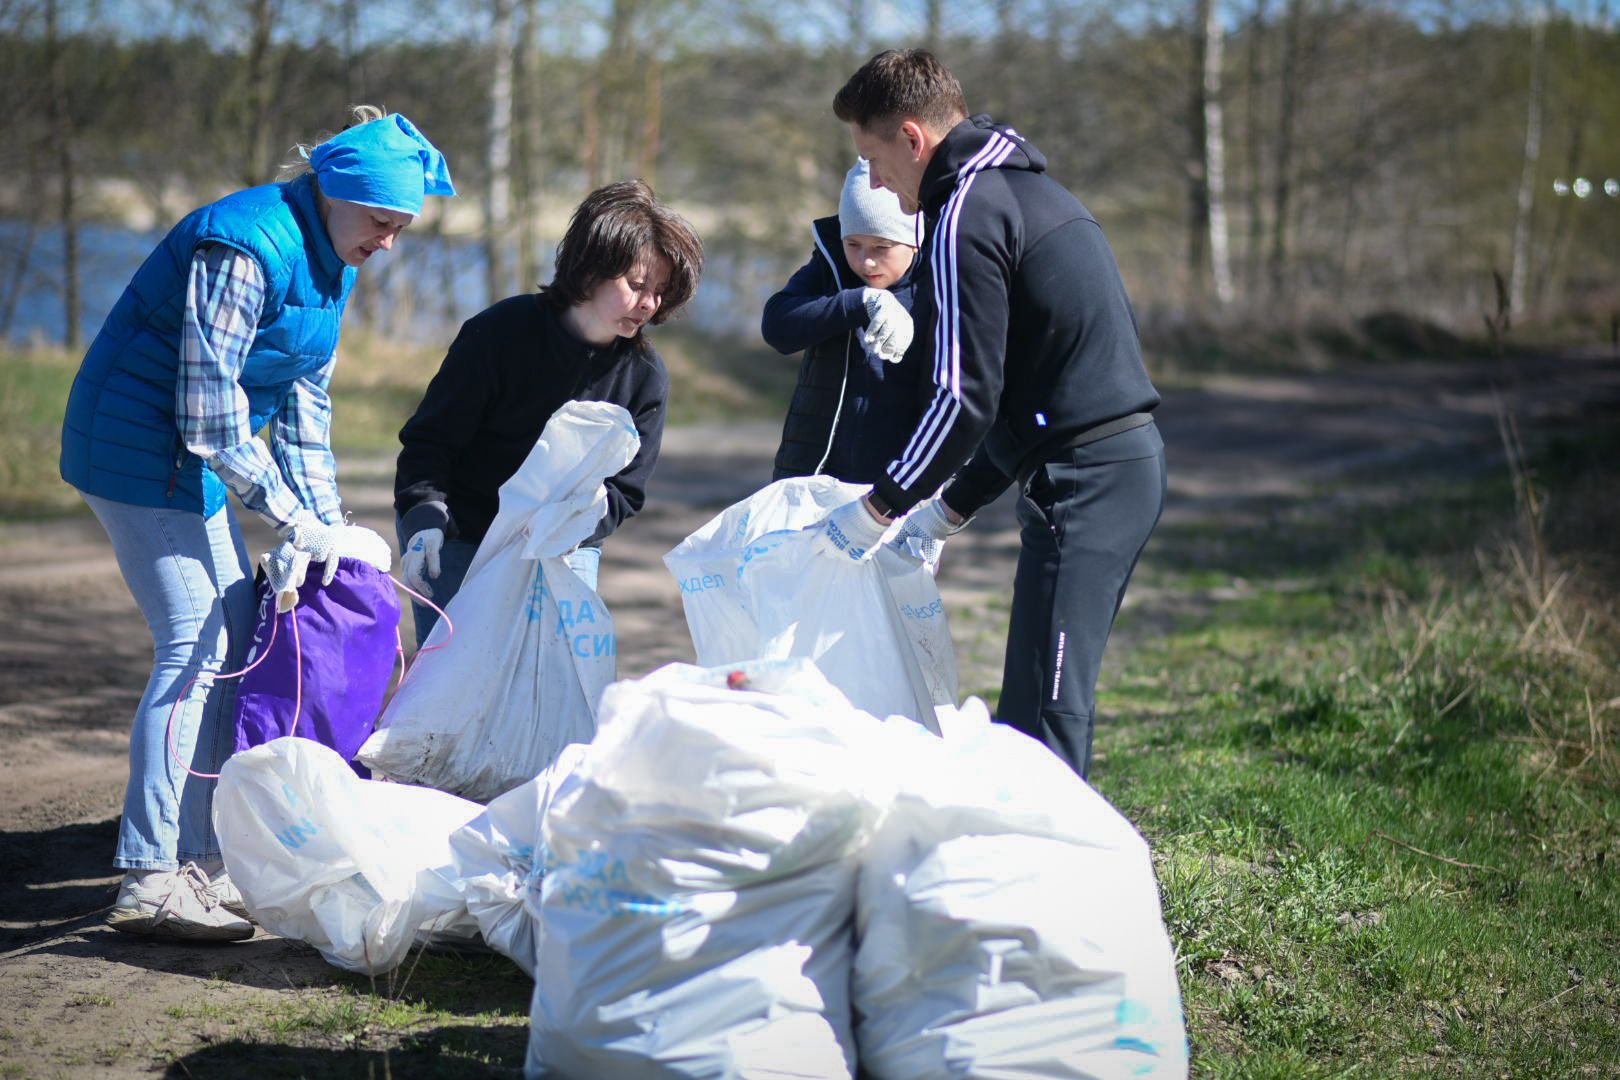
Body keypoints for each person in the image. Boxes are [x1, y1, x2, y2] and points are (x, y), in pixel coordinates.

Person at [59, 107, 456, 939]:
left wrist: (329, 527)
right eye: (382, 221)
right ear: (335, 193)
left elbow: (305, 410)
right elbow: (208, 413)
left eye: (401, 227)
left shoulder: (333, 261)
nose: (389, 243)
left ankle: (204, 861)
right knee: (196, 644)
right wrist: (287, 517)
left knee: (238, 633)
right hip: (133, 448)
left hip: (190, 461)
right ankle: (150, 875)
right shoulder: (244, 245)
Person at [815, 49, 1167, 780]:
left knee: (1050, 708)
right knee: (1028, 705)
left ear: (912, 138)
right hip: (1101, 466)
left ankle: (1060, 851)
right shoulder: (1019, 190)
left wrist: (882, 506)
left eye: (873, 161)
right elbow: (1030, 392)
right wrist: (950, 509)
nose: (873, 183)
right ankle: (1027, 841)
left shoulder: (965, 214)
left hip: (1090, 477)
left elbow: (965, 395)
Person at [394, 179, 702, 645]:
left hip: (565, 548)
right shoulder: (500, 334)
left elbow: (625, 490)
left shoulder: (644, 376)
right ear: (589, 268)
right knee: (453, 675)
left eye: (660, 292)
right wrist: (424, 517)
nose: (648, 303)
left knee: (549, 680)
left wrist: (569, 527)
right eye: (637, 285)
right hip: (460, 533)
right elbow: (431, 442)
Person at [763, 158, 923, 484]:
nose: (866, 261)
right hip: (809, 475)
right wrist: (857, 302)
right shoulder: (831, 266)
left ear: (914, 241)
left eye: (882, 247)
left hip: (896, 484)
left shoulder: (939, 284)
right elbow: (777, 327)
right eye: (853, 244)